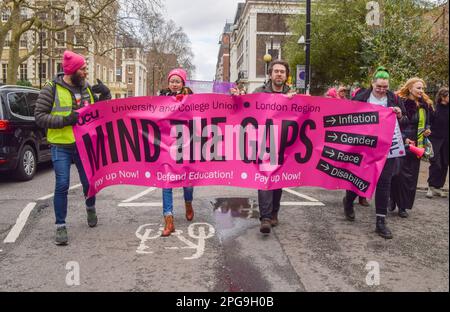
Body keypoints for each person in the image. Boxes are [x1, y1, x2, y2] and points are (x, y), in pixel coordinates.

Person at [34, 50, 111, 245]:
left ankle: (90, 206)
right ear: (73, 71)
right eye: (83, 69)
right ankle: (60, 226)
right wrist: (65, 120)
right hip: (61, 144)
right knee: (62, 184)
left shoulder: (86, 87)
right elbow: (40, 116)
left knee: (89, 183)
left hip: (84, 144)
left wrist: (106, 95)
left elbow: (98, 113)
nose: (86, 72)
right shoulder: (50, 88)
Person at [342, 67, 407, 238]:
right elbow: (348, 117)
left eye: (385, 87)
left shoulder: (394, 98)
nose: (382, 90)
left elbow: (405, 120)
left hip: (387, 147)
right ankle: (348, 201)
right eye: (379, 86)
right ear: (372, 84)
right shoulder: (362, 97)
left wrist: (400, 115)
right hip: (365, 145)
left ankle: (380, 221)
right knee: (361, 178)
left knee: (384, 182)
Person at [233, 60, 296, 234]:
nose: (279, 74)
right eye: (276, 71)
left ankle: (274, 212)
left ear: (286, 75)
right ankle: (266, 218)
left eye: (282, 72)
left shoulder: (293, 94)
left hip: (284, 144)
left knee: (278, 181)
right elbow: (244, 110)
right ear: (270, 74)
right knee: (264, 179)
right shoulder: (259, 93)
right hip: (263, 143)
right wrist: (238, 98)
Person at [158, 68, 195, 237]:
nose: (174, 84)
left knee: (187, 181)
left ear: (183, 83)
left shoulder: (191, 98)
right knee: (166, 182)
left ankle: (188, 203)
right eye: (171, 81)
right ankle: (169, 219)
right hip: (166, 145)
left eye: (177, 81)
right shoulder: (160, 97)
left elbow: (197, 116)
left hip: (185, 144)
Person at [390, 77, 433, 217]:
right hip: (401, 141)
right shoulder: (400, 102)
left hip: (417, 144)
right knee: (397, 174)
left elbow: (428, 122)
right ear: (410, 88)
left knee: (411, 177)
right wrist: (404, 138)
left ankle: (403, 206)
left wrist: (427, 129)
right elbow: (395, 123)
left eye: (422, 88)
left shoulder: (424, 105)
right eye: (418, 88)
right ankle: (393, 199)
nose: (421, 91)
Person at [426, 87, 449, 198]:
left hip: (447, 141)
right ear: (442, 97)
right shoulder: (434, 109)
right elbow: (429, 123)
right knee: (436, 163)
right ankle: (431, 187)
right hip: (435, 140)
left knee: (444, 164)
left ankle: (438, 187)